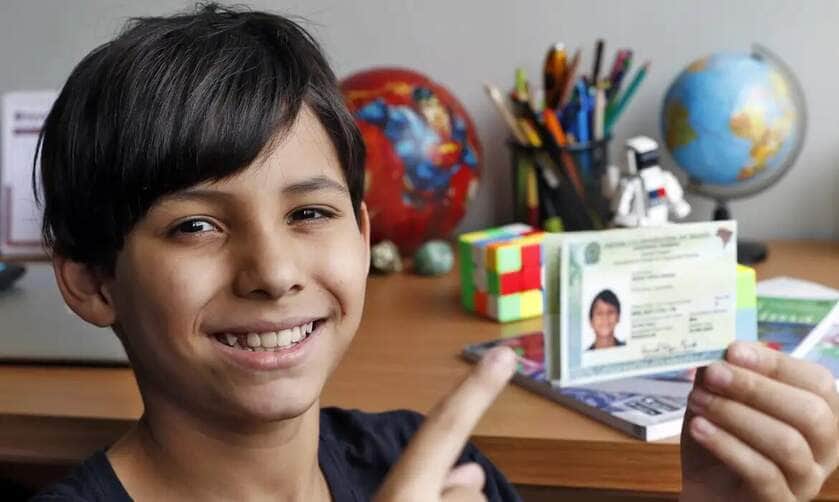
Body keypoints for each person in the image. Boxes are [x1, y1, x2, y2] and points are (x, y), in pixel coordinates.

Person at [32, 5, 839, 502]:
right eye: (195, 227)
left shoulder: (433, 465)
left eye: (311, 211)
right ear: (92, 279)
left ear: (366, 234)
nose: (274, 272)